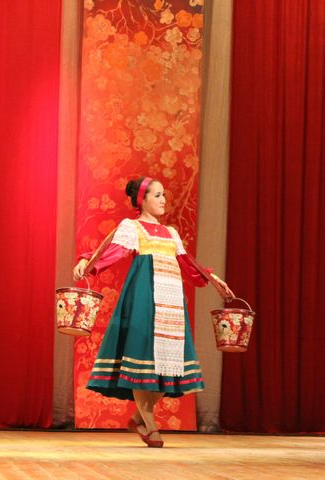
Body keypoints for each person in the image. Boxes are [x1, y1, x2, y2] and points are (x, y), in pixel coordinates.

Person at [73, 176, 234, 448]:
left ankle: (139, 418)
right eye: (157, 195)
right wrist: (87, 262)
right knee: (142, 357)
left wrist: (214, 279)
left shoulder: (171, 232)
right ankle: (150, 423)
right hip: (144, 298)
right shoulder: (133, 227)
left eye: (163, 195)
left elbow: (187, 263)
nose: (163, 200)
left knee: (167, 364)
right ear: (142, 200)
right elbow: (112, 251)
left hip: (171, 302)